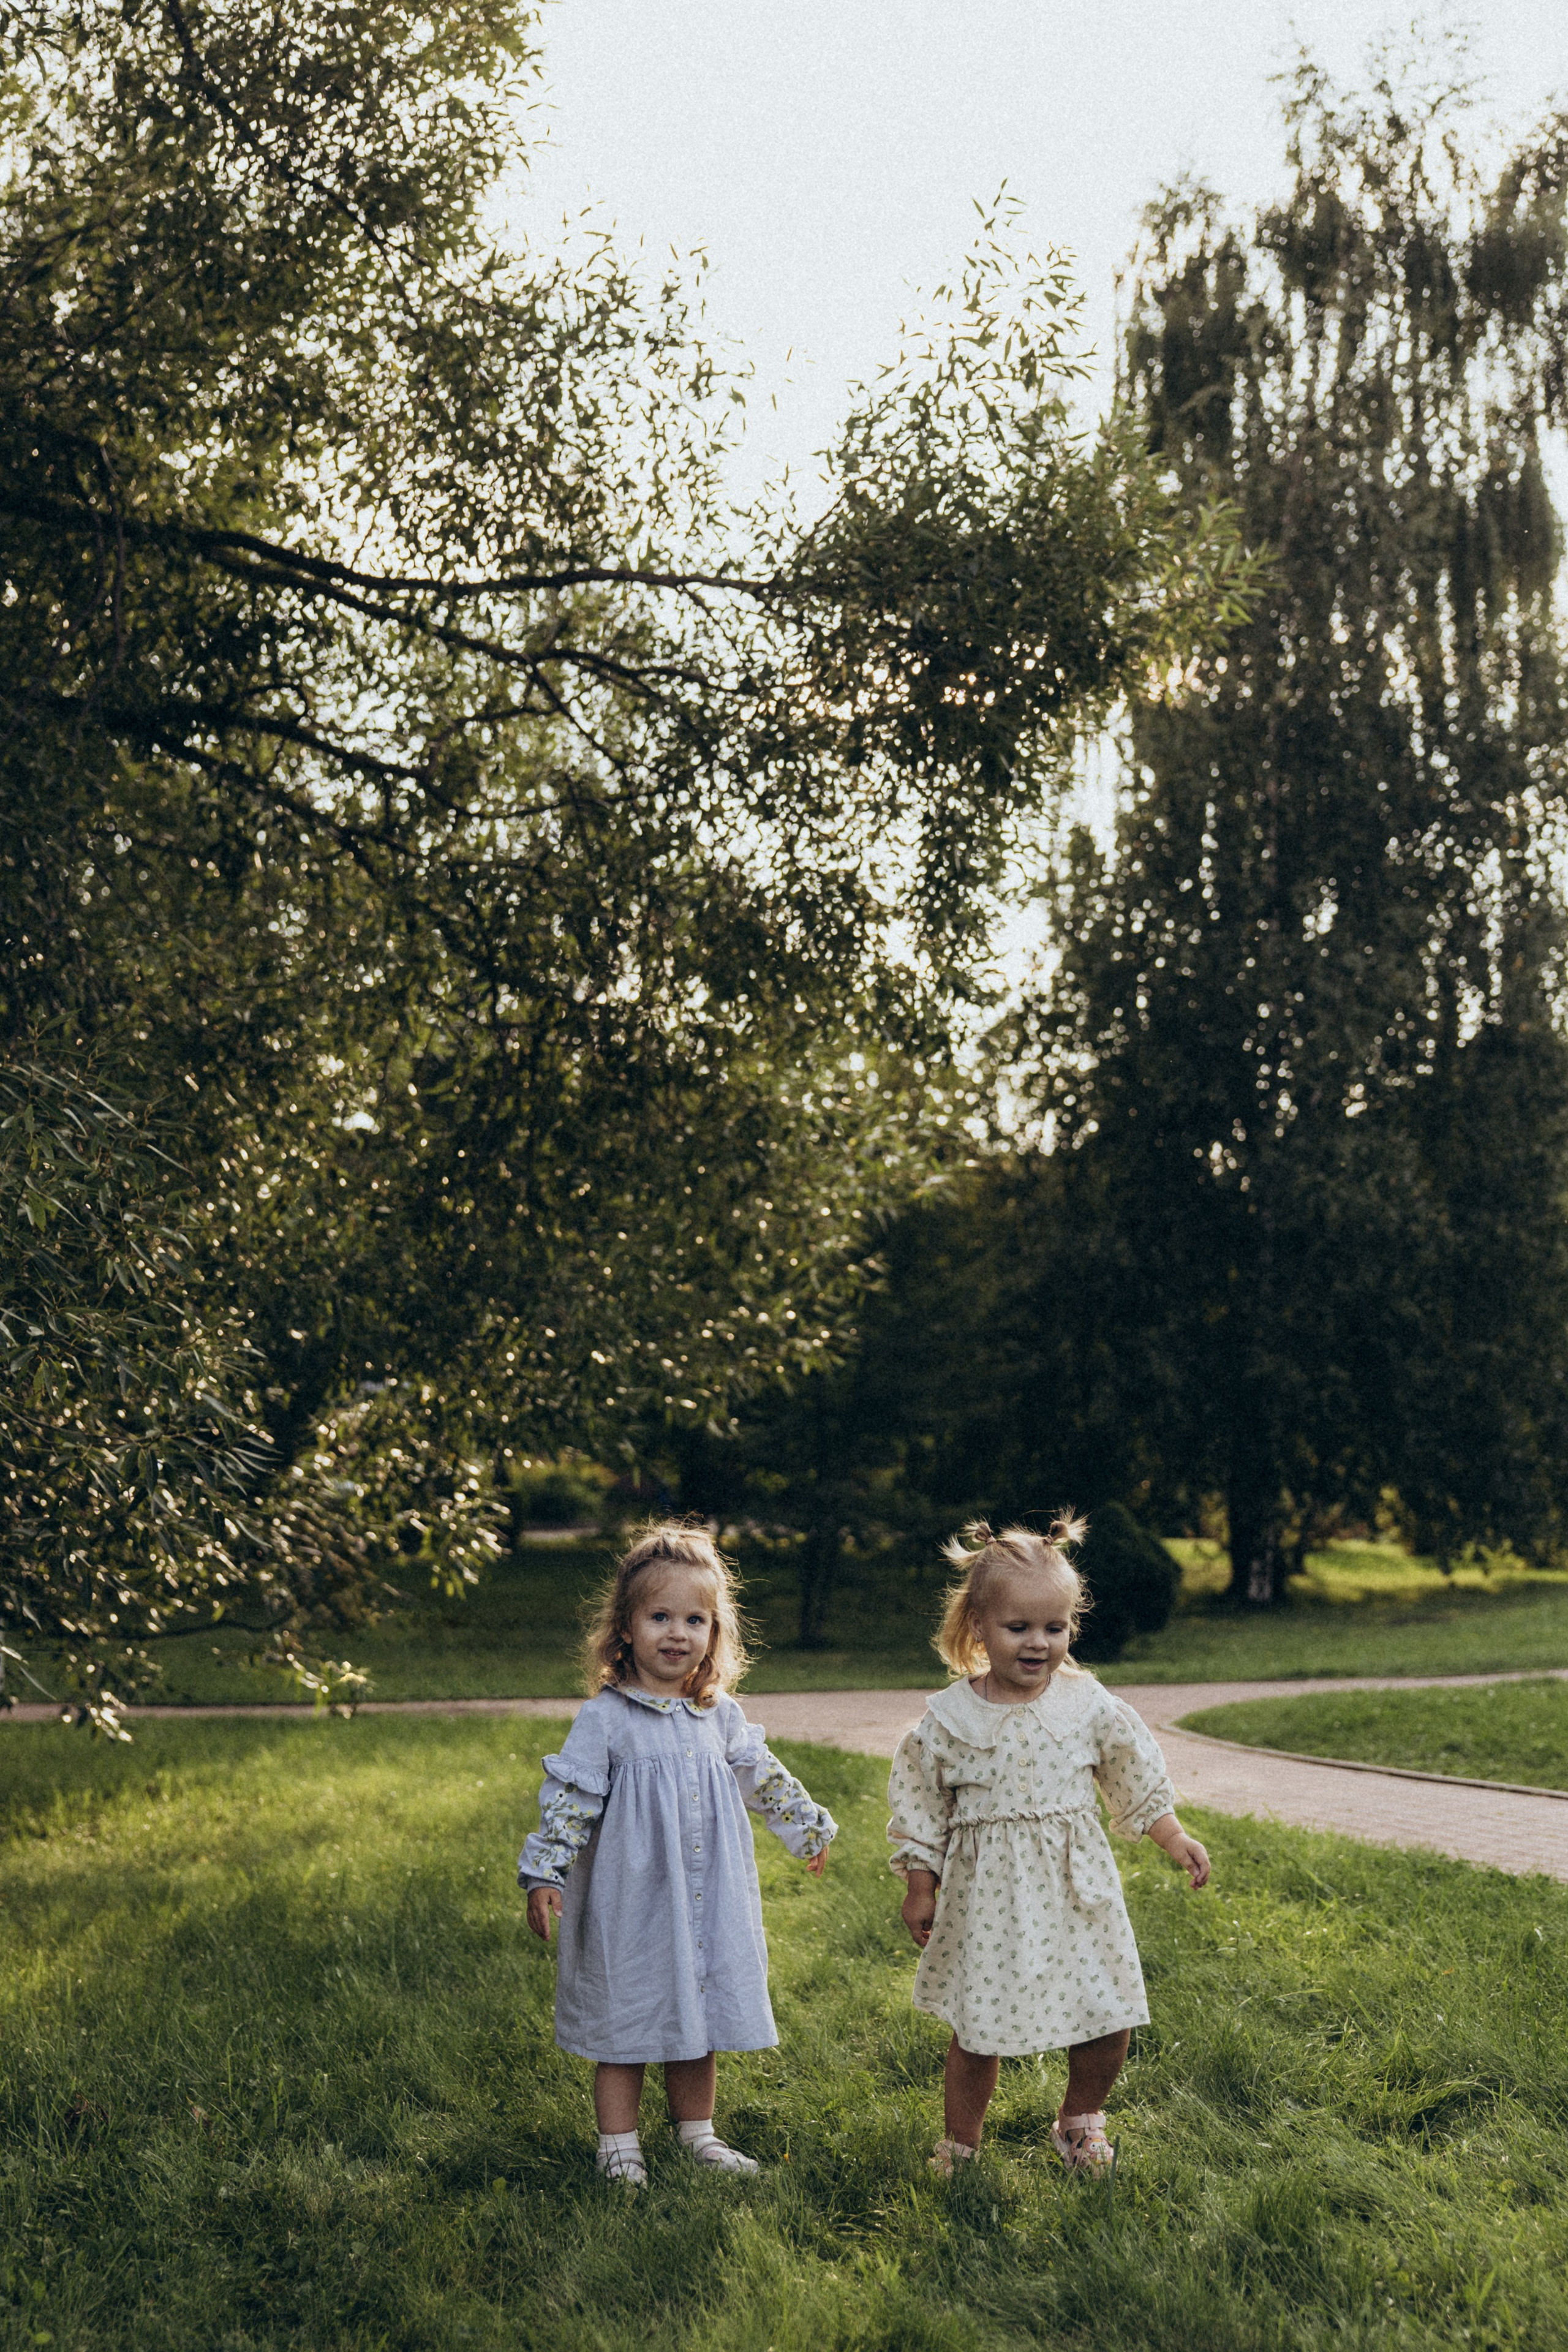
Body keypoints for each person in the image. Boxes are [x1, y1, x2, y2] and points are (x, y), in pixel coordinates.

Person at [888, 1516, 1210, 2177]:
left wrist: (1170, 1834)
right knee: (978, 2029)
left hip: (1076, 1895)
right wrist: (921, 1884)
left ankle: (1079, 2121)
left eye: (1054, 1628)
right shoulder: (949, 1720)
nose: (1038, 1644)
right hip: (990, 1903)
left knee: (1106, 2014)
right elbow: (921, 1805)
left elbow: (1132, 1771)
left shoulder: (1086, 1706)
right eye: (1019, 1628)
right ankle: (961, 2143)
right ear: (978, 1624)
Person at [519, 1522, 837, 2188]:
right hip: (632, 1900)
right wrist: (545, 1871)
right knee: (627, 2014)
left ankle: (699, 2134)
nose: (677, 1633)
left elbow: (763, 1776)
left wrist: (806, 1827)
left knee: (702, 2014)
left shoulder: (717, 1714)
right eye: (659, 1616)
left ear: (714, 1632)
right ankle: (618, 2147)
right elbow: (571, 1798)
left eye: (695, 1618)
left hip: (707, 1895)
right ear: (625, 1629)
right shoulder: (606, 1718)